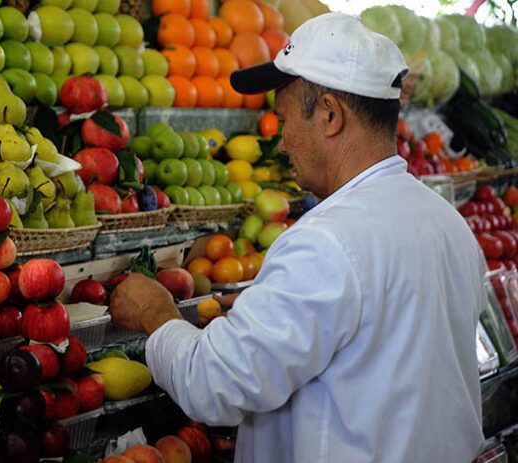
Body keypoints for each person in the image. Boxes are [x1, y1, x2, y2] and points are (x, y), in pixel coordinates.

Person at [108, 13, 485, 463]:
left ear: (329, 114)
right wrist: (268, 314)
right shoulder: (447, 222)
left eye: (284, 120)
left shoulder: (326, 241)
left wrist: (156, 312)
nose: (282, 144)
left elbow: (214, 386)